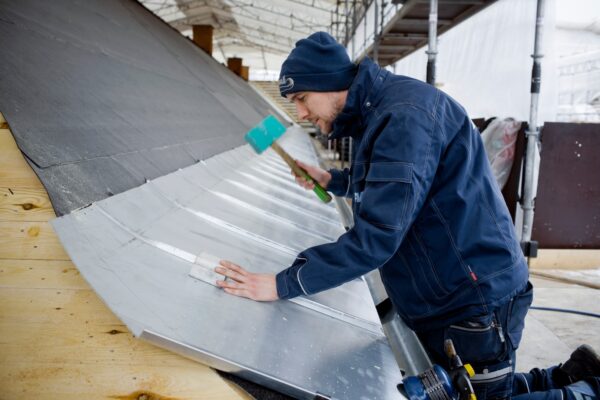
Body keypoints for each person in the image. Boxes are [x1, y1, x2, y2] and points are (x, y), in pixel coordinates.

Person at [214, 31, 600, 400]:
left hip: (472, 296)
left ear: (329, 83)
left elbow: (377, 237)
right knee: (474, 389)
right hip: (455, 286)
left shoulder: (403, 117)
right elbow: (396, 184)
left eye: (301, 98)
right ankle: (567, 376)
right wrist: (332, 179)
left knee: (478, 394)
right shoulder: (384, 110)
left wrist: (283, 283)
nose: (300, 112)